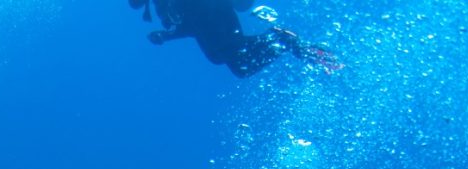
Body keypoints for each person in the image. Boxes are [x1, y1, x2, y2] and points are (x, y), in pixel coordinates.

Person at [126, 0, 340, 77]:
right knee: (238, 67)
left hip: (210, 9)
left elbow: (191, 18)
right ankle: (283, 41)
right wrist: (166, 35)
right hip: (204, 15)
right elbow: (190, 25)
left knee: (232, 55)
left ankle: (283, 39)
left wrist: (167, 34)